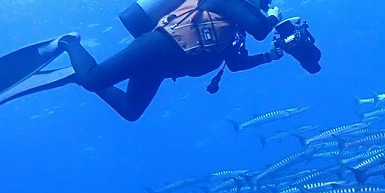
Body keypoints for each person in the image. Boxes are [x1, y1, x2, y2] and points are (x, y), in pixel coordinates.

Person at [59, 0, 287, 122]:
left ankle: (77, 74)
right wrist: (273, 18)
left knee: (130, 111)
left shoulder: (233, 31)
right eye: (264, 3)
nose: (262, 8)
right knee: (93, 80)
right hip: (155, 47)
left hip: (162, 69)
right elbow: (260, 29)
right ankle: (70, 42)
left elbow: (236, 64)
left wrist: (268, 56)